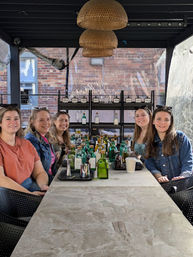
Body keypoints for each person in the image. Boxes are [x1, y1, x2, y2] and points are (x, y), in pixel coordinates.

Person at [0, 105, 48, 195]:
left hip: (31, 188)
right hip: (10, 194)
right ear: (0, 123)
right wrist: (29, 194)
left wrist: (43, 186)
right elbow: (1, 179)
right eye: (8, 119)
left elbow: (40, 172)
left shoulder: (27, 144)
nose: (13, 122)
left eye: (16, 118)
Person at [145, 106, 193, 183]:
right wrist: (159, 176)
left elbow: (188, 162)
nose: (162, 122)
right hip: (162, 186)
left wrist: (183, 177)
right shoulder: (149, 142)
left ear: (170, 122)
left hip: (183, 186)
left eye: (166, 119)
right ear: (153, 121)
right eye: (159, 119)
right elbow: (150, 164)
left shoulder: (181, 137)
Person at [25, 107, 56, 184]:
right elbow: (34, 173)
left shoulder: (46, 137)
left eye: (48, 119)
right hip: (40, 184)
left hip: (50, 179)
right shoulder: (31, 141)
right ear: (32, 122)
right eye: (41, 120)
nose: (46, 123)